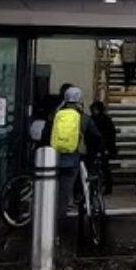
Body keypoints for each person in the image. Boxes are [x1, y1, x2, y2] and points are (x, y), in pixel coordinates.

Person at [49, 87, 102, 221]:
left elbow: (46, 134)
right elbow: (96, 136)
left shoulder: (56, 115)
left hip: (53, 158)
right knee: (65, 191)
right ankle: (58, 222)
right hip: (73, 158)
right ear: (79, 100)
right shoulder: (84, 118)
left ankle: (49, 216)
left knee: (52, 188)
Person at [89, 100, 119, 192]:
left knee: (103, 167)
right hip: (97, 147)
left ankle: (105, 186)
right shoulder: (99, 119)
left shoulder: (100, 120)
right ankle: (102, 186)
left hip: (101, 147)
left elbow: (110, 135)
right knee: (101, 167)